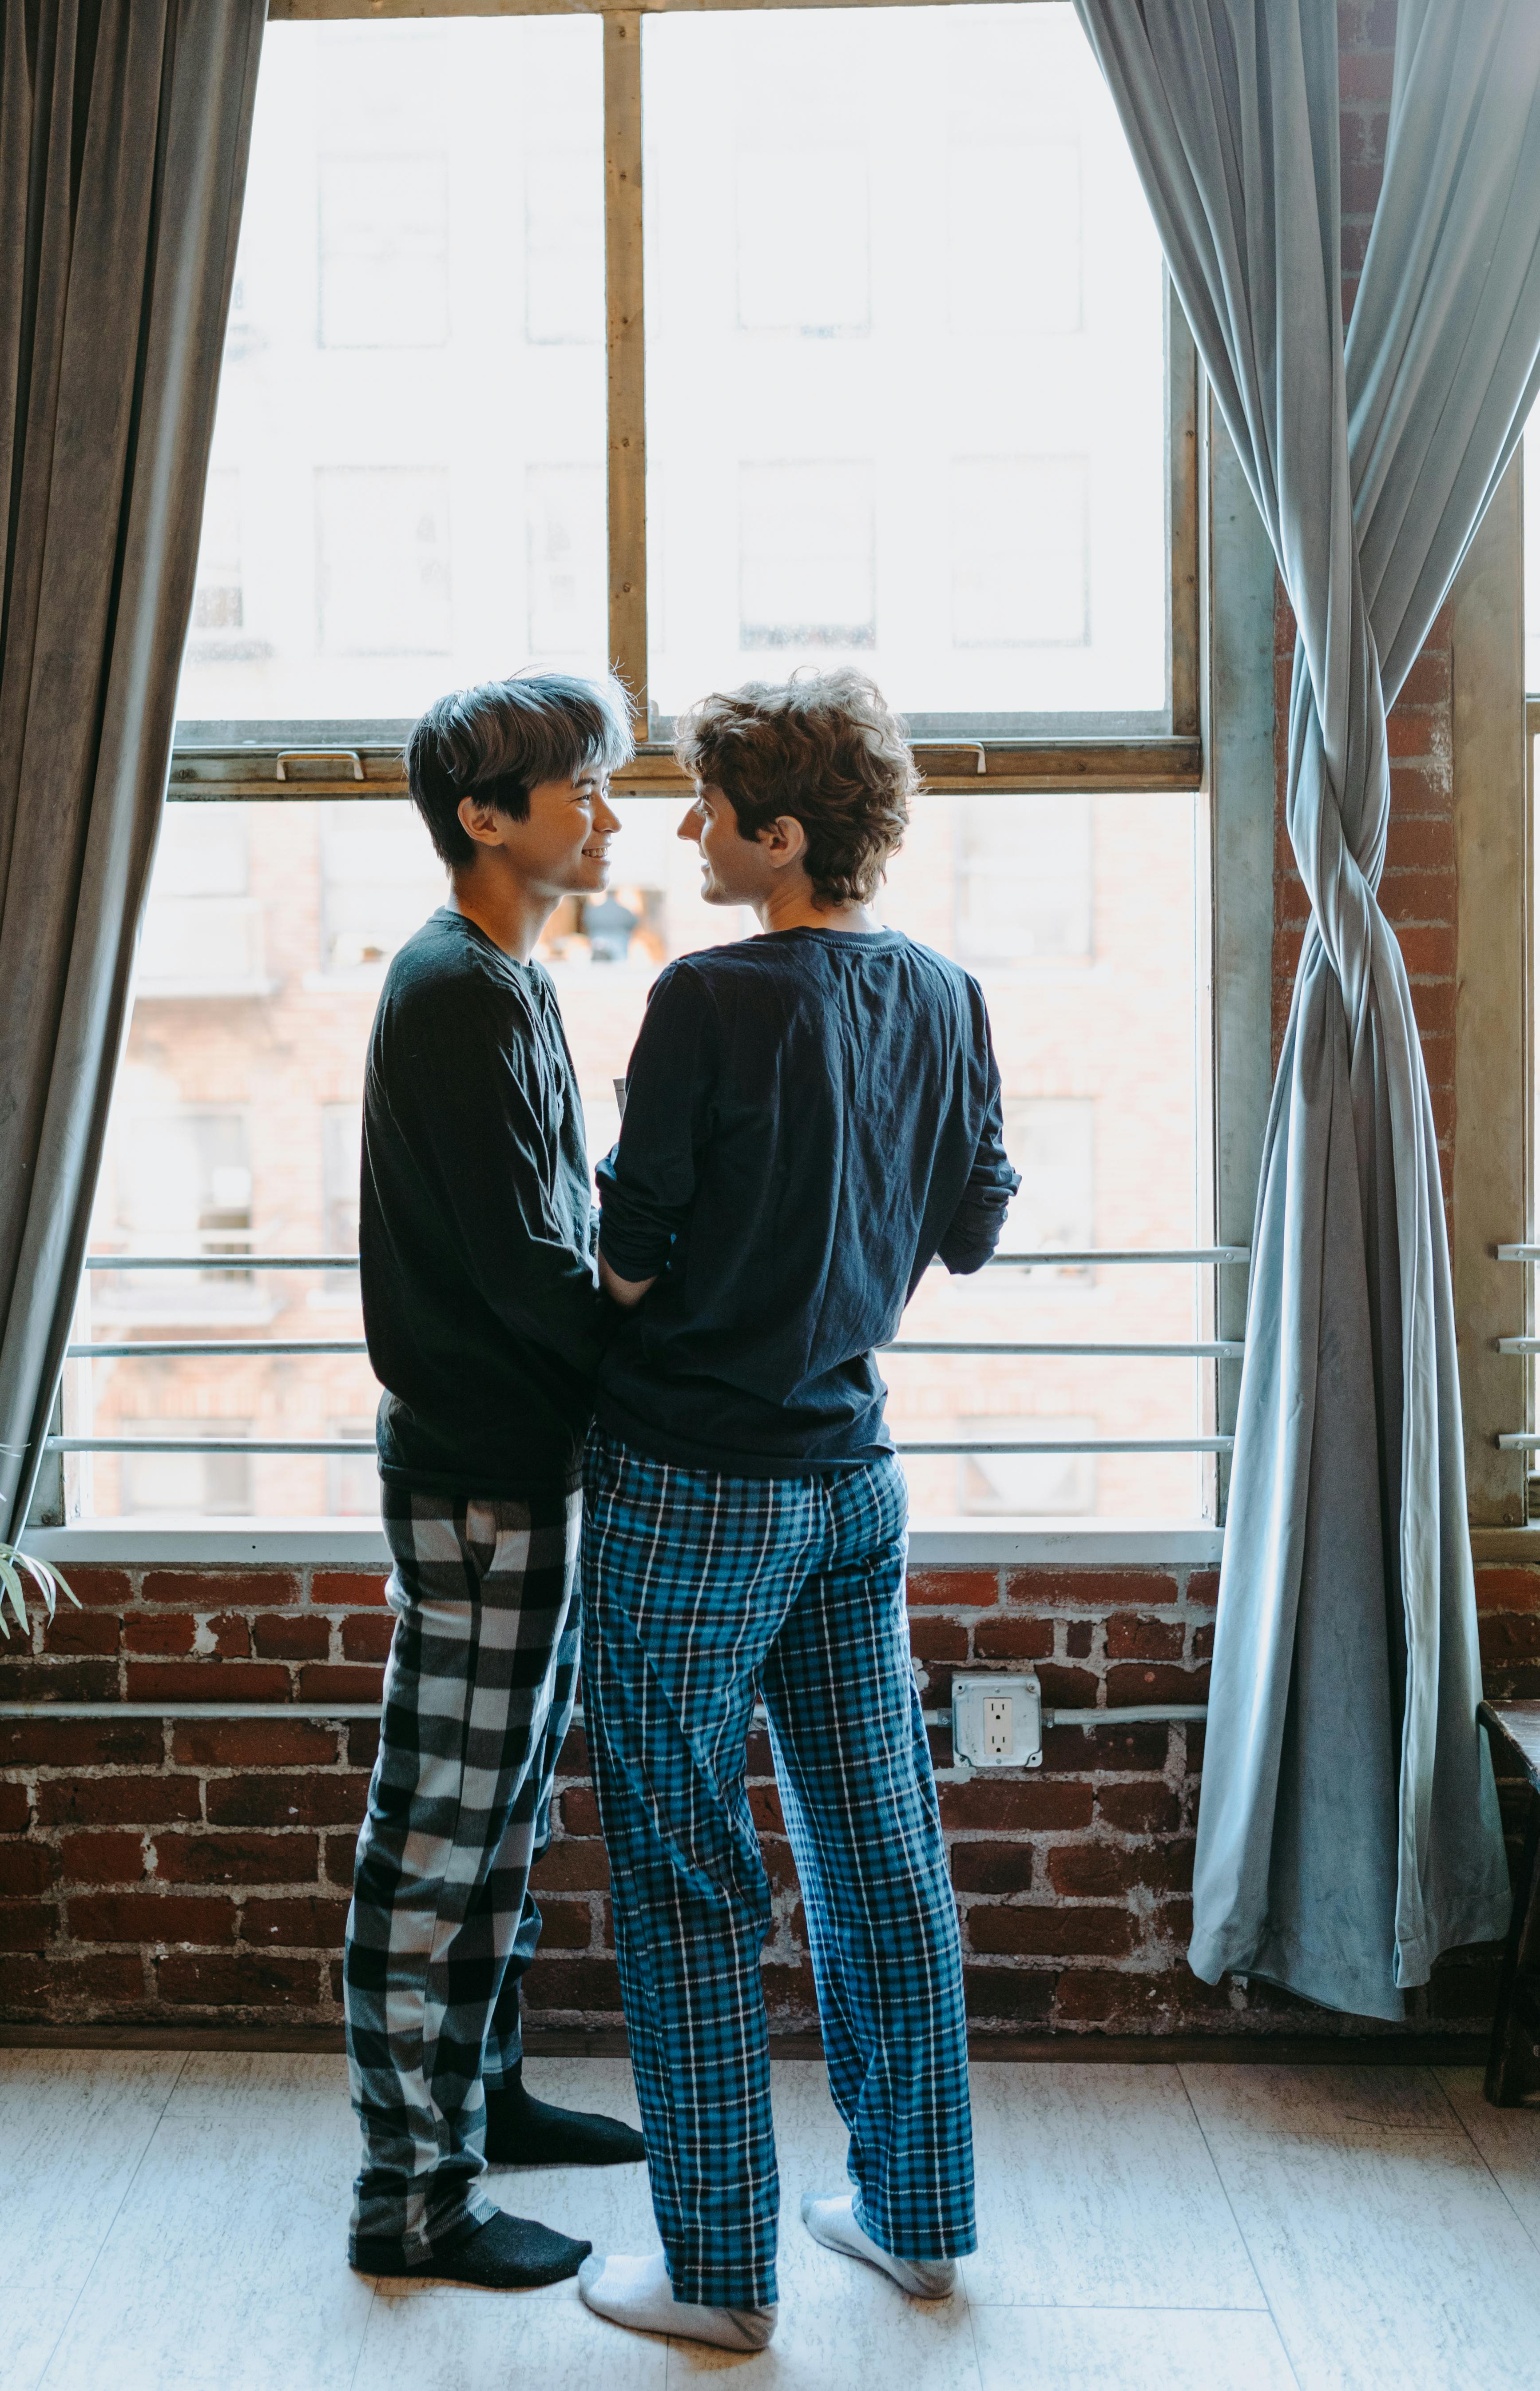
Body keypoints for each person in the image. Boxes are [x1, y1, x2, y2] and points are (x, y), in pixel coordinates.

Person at [574, 669, 1018, 2352]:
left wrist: (648, 1268)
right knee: (878, 1848)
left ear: (784, 834)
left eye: (709, 808)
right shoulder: (945, 990)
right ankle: (915, 2220)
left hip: (693, 1487)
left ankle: (719, 2273)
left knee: (689, 1870)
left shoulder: (708, 999)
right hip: (854, 1478)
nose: (686, 831)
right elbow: (970, 1226)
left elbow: (627, 1252)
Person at [345, 671, 648, 2292]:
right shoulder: (457, 988)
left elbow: (564, 1239)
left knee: (504, 1818)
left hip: (519, 1467)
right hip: (479, 1477)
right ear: (485, 815)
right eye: (579, 787)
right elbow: (535, 1271)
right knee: (442, 1835)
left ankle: (486, 2102)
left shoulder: (508, 977)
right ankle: (410, 2198)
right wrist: (659, 1370)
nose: (605, 812)